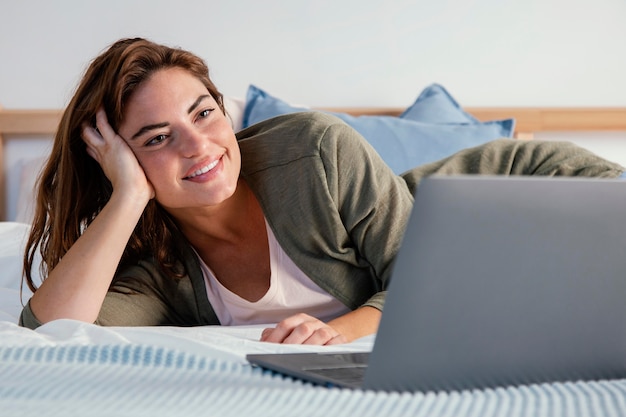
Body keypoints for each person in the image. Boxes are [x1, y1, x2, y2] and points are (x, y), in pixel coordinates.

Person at [20, 37, 625, 345]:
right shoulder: (161, 268)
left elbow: (426, 281)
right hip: (499, 272)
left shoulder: (314, 150)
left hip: (523, 194)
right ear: (119, 160)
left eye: (204, 113)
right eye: (157, 138)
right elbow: (53, 331)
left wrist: (340, 332)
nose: (199, 146)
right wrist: (127, 196)